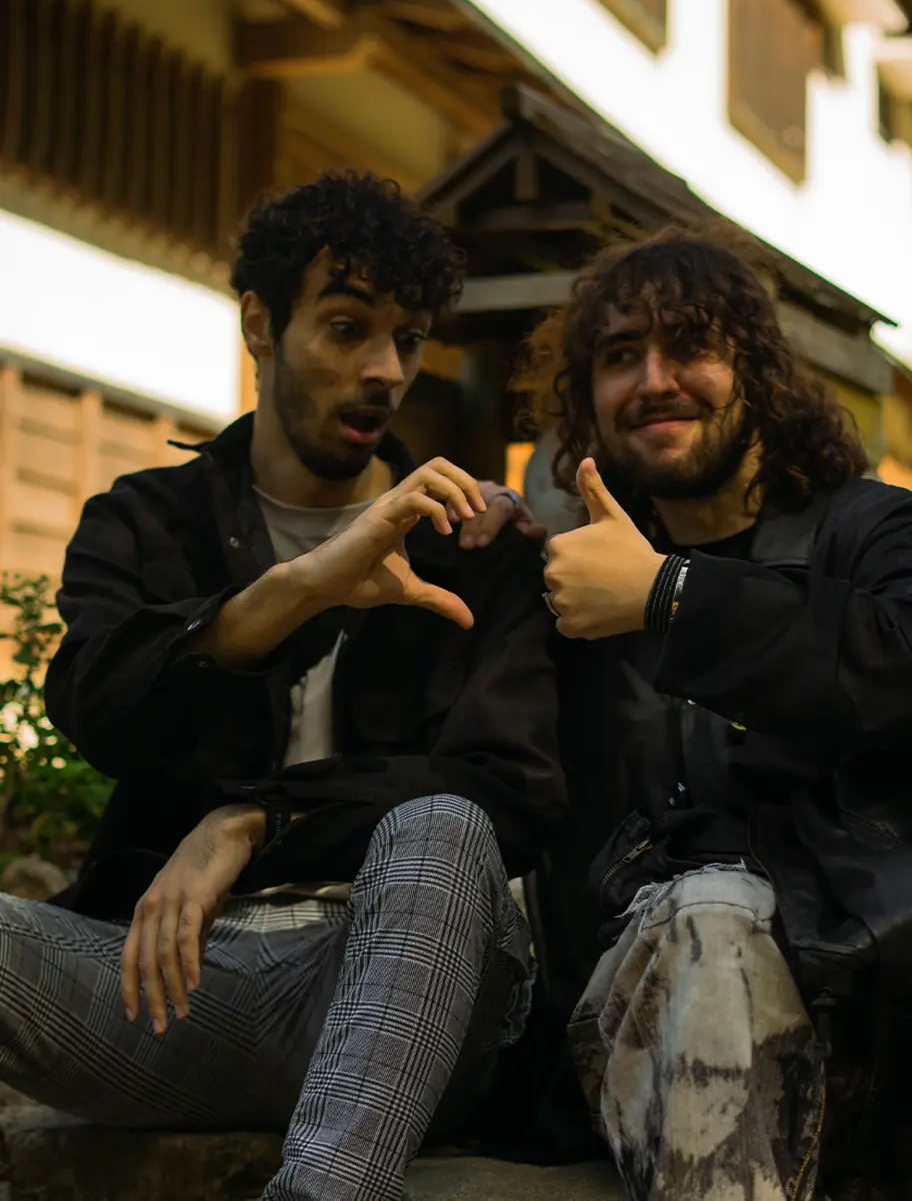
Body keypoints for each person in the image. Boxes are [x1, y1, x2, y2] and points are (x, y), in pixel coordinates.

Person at [0, 171, 564, 1201]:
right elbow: (95, 706)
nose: (384, 370)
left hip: (415, 981)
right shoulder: (144, 520)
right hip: (177, 985)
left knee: (442, 826)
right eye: (346, 328)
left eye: (405, 338)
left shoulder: (471, 543)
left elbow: (508, 788)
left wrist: (253, 817)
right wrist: (295, 590)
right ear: (259, 324)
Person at [486, 226, 912, 1200]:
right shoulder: (560, 582)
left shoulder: (868, 526)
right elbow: (478, 780)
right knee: (711, 912)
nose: (654, 378)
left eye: (689, 346)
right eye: (619, 356)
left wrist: (671, 599)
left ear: (755, 370)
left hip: (875, 999)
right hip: (652, 996)